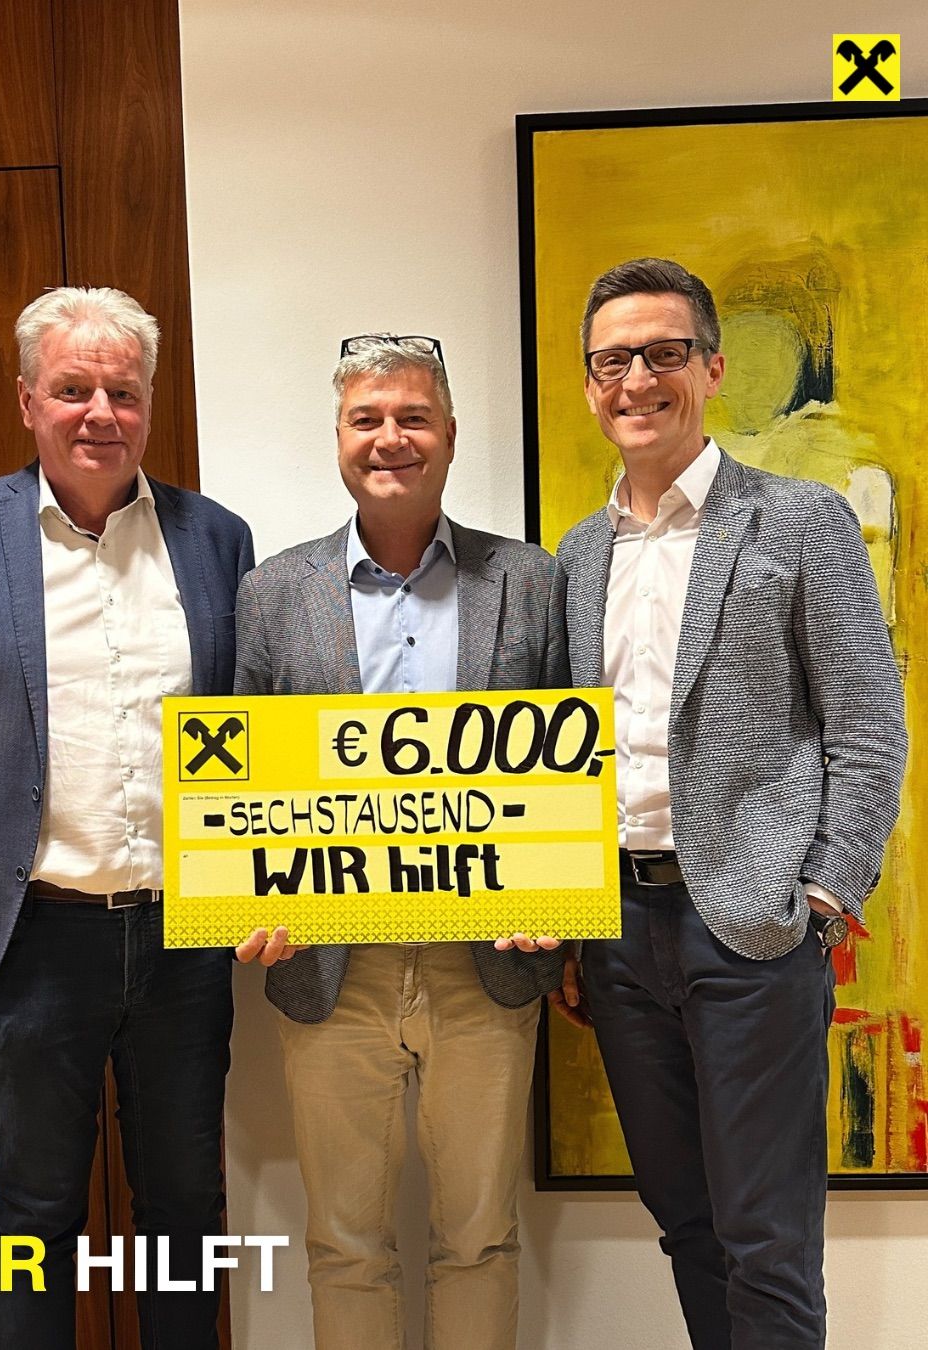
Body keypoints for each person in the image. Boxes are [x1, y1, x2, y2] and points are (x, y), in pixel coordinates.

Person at [0, 286, 253, 1350]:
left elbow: (247, 720)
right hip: (33, 939)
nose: (100, 412)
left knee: (184, 1211)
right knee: (33, 1215)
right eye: (73, 389)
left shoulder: (216, 539)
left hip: (184, 940)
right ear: (27, 401)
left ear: (150, 403)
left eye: (122, 392)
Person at [553, 257, 907, 1349]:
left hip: (752, 930)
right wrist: (571, 919)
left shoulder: (798, 522)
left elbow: (869, 728)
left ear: (710, 369)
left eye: (663, 354)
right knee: (690, 1228)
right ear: (589, 385)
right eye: (613, 361)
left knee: (767, 1243)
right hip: (619, 933)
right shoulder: (577, 554)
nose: (637, 381)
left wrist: (826, 895)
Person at [233, 334, 567, 1350]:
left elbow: (569, 767)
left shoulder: (531, 581)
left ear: (450, 435)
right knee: (345, 1243)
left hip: (487, 965)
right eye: (367, 419)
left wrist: (557, 902)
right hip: (332, 965)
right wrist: (251, 901)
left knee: (479, 1239)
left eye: (413, 417)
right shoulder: (272, 592)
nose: (391, 438)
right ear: (338, 437)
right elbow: (243, 780)